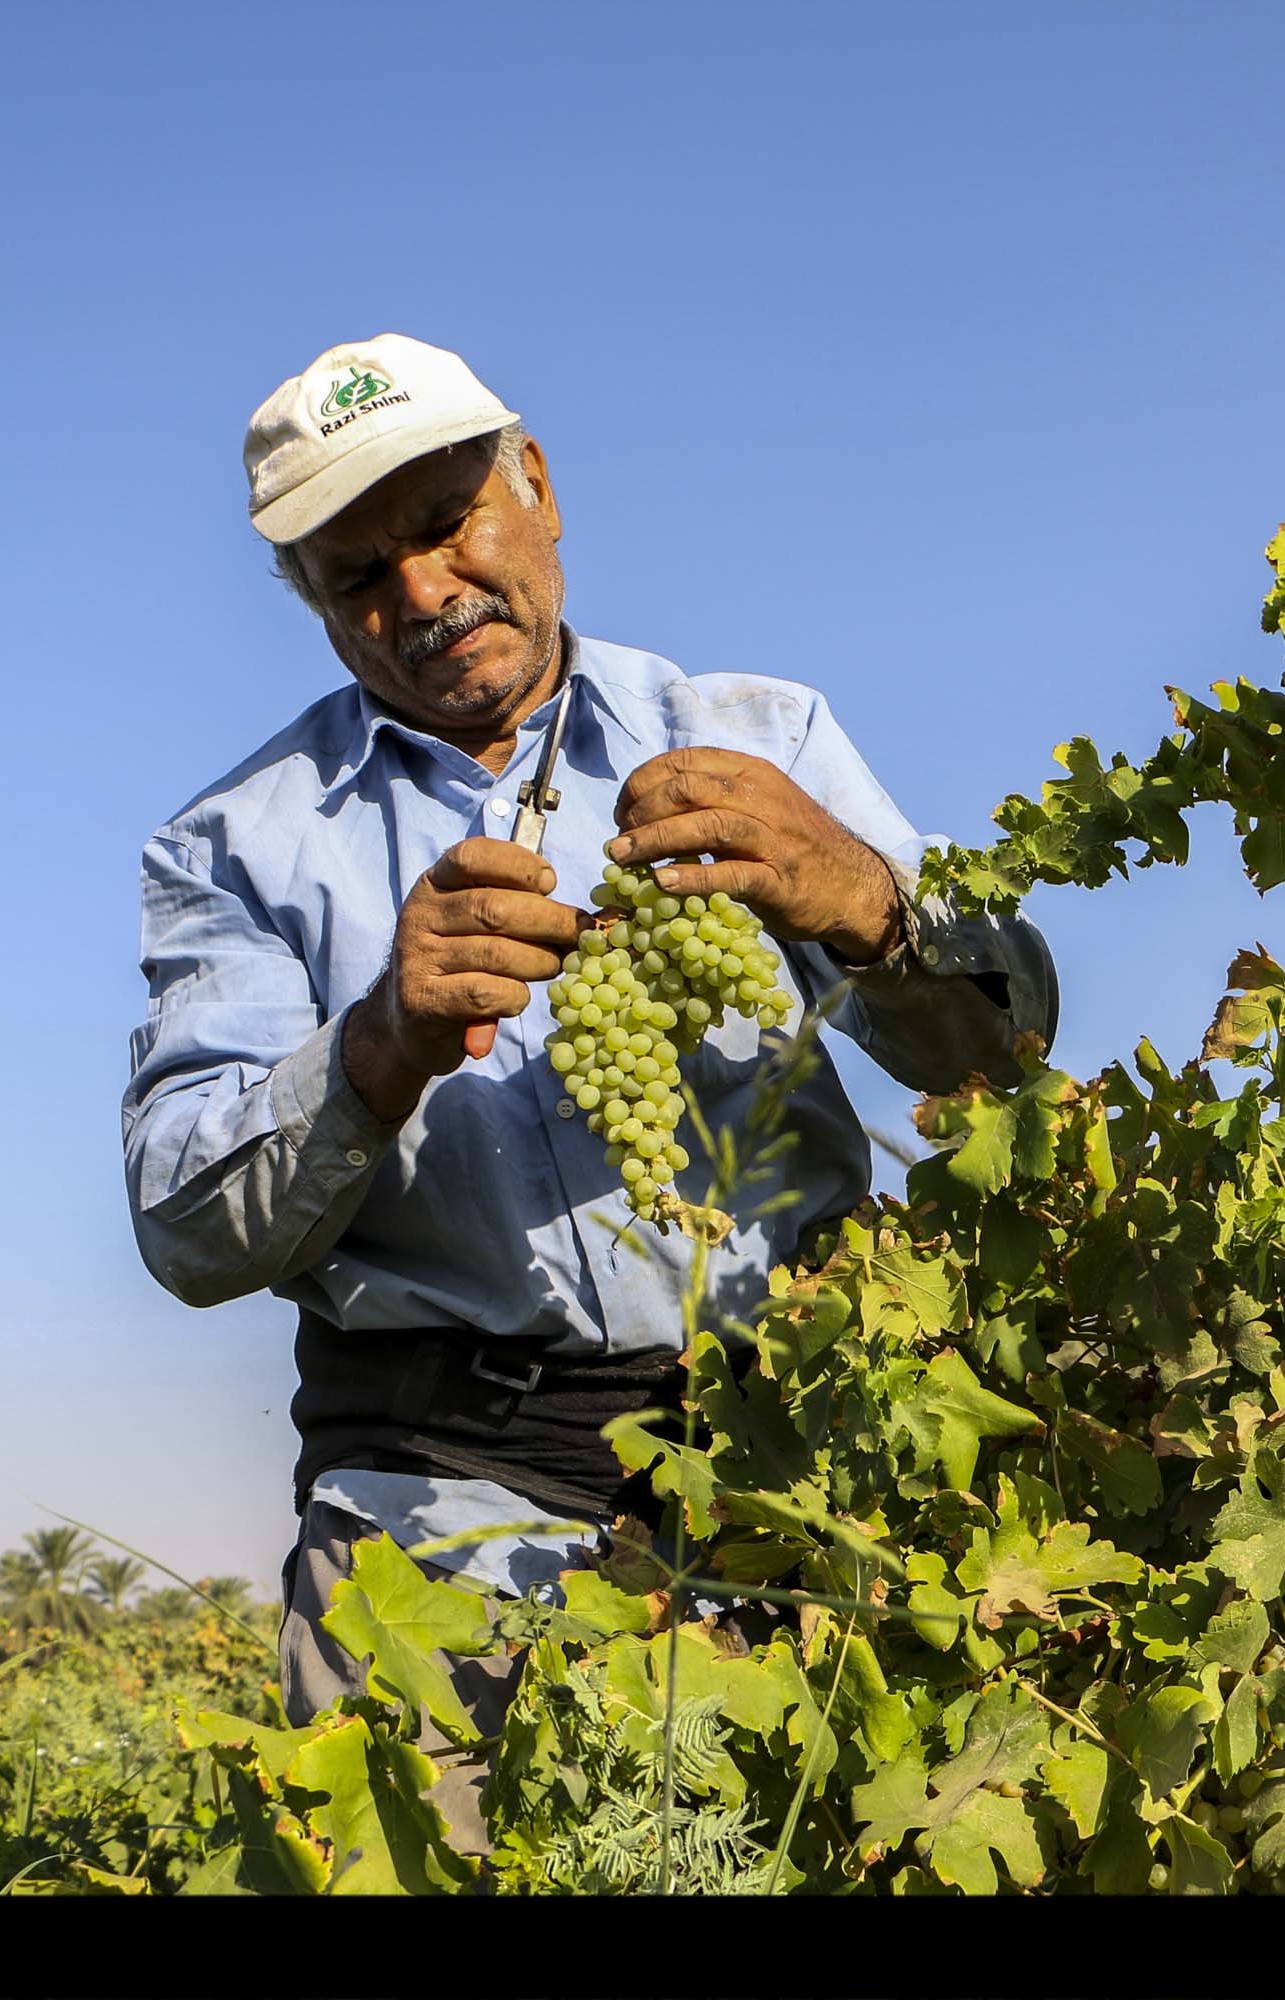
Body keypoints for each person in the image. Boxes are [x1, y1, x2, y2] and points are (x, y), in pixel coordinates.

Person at [119, 334, 1056, 1851]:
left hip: (797, 1475)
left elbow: (1000, 1060)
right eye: (359, 575)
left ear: (535, 485)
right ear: (310, 604)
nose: (421, 594)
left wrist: (867, 903)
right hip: (439, 1506)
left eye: (444, 524)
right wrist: (380, 1047)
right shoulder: (231, 849)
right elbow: (186, 1236)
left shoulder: (765, 737)